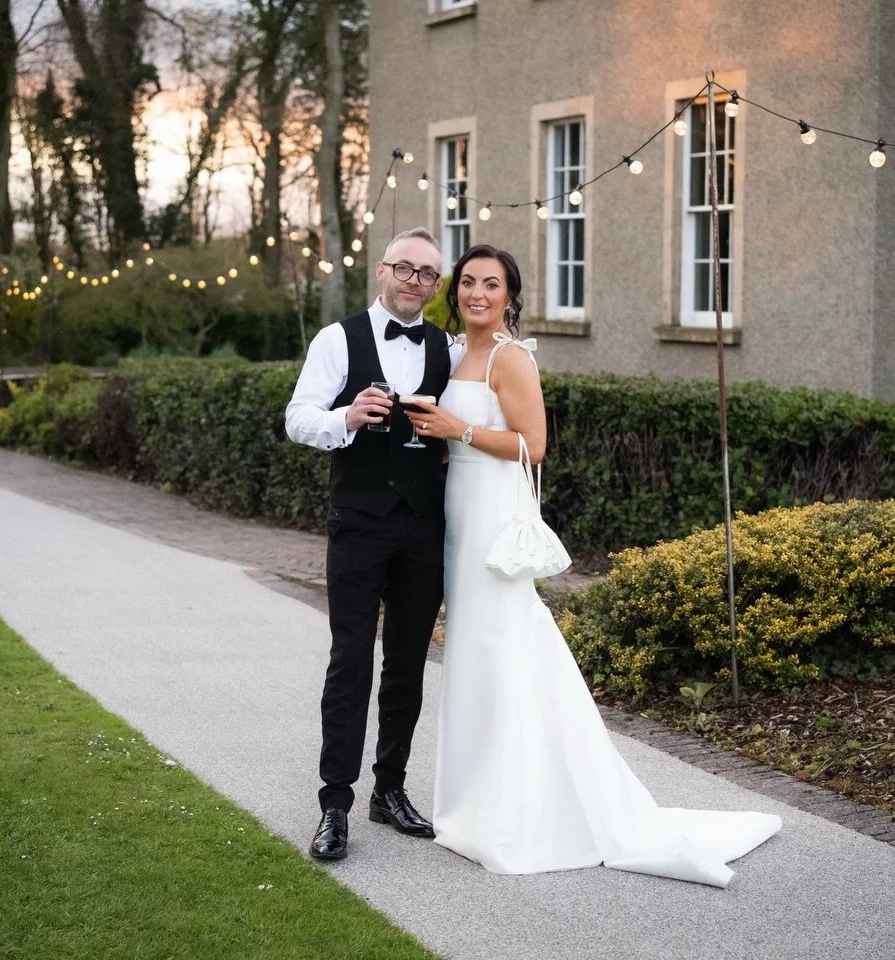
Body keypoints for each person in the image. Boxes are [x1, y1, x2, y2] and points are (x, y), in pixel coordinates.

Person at [403, 245, 782, 887]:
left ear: (509, 296)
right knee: (472, 650)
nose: (476, 294)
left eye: (490, 284)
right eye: (467, 282)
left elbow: (534, 446)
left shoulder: (510, 357)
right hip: (458, 514)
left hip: (494, 514)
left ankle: (521, 813)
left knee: (503, 644)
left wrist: (456, 430)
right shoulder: (453, 350)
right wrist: (434, 438)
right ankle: (473, 803)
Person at [285, 227, 462, 862]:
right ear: (383, 270)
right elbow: (297, 417)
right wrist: (346, 418)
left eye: (428, 273)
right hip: (359, 521)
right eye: (405, 268)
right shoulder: (337, 340)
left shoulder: (448, 348)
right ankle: (335, 804)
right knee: (351, 660)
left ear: (436, 285)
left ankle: (390, 790)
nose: (415, 281)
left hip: (424, 526)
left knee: (408, 663)